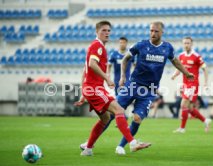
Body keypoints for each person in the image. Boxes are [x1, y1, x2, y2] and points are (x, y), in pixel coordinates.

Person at [92, 21, 193, 155]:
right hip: (132, 85)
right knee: (111, 114)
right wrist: (123, 77)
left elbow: (175, 61)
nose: (153, 33)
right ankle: (90, 144)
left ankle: (121, 146)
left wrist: (186, 73)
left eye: (156, 31)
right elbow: (125, 59)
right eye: (151, 31)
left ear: (162, 32)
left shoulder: (167, 48)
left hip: (149, 89)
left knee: (137, 119)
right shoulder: (141, 44)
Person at [74, 20, 151, 156]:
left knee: (105, 118)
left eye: (109, 30)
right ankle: (133, 143)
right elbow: (91, 64)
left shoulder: (97, 46)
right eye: (104, 30)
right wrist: (107, 78)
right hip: (95, 88)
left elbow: (85, 69)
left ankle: (88, 149)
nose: (107, 33)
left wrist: (83, 92)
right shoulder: (97, 46)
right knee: (119, 110)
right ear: (97, 32)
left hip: (91, 88)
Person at [171, 36, 211, 133]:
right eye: (184, 43)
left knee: (183, 104)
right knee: (189, 108)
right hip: (185, 84)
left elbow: (205, 68)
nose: (186, 45)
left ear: (191, 44)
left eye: (188, 43)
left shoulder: (196, 56)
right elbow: (179, 68)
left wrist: (206, 82)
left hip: (193, 84)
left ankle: (182, 128)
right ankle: (206, 120)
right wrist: (175, 75)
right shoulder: (181, 56)